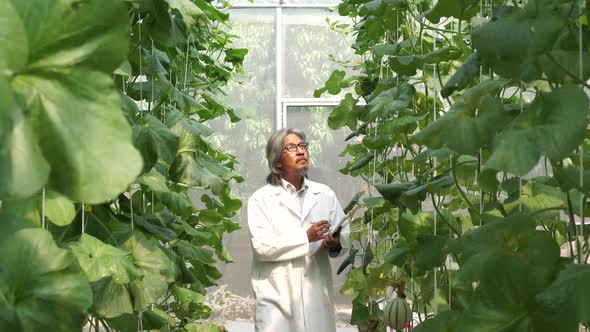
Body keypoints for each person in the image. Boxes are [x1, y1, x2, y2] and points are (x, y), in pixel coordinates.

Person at [247, 128, 350, 332]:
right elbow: (261, 247)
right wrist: (306, 237)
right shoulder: (261, 200)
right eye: (292, 148)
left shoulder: (324, 194)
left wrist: (335, 242)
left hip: (316, 298)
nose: (301, 151)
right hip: (277, 301)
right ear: (277, 162)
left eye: (303, 145)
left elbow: (345, 233)